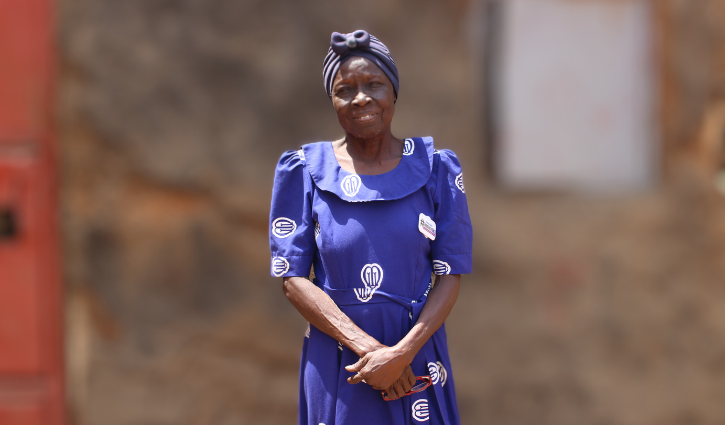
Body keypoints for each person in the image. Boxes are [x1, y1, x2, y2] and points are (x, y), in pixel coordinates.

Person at [269, 30, 472, 425]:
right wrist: (369, 351)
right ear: (332, 101)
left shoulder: (435, 169)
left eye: (374, 84)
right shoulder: (305, 171)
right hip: (340, 362)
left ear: (393, 92)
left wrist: (399, 355)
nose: (361, 97)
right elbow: (293, 279)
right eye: (345, 89)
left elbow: (451, 275)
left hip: (415, 358)